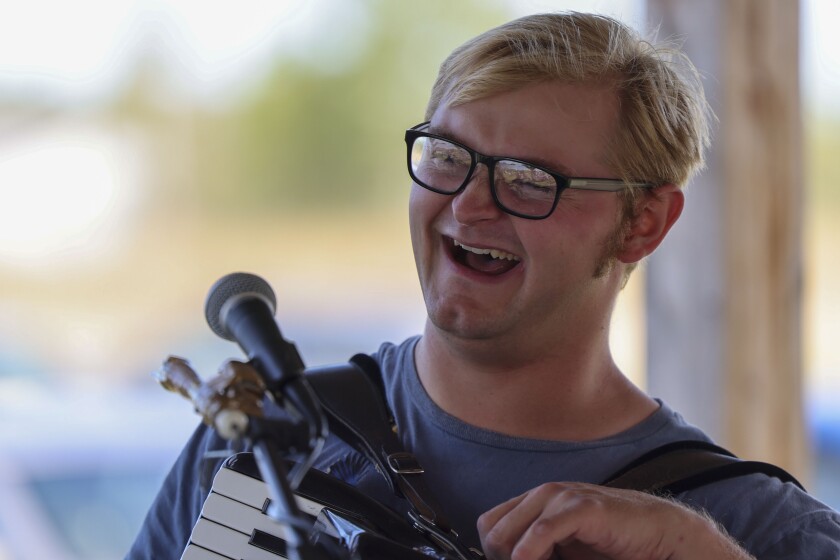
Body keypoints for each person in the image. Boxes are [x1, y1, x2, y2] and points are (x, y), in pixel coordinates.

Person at [127, 12, 840, 560]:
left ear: (642, 223)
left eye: (530, 179)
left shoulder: (751, 524)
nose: (470, 205)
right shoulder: (266, 446)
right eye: (448, 156)